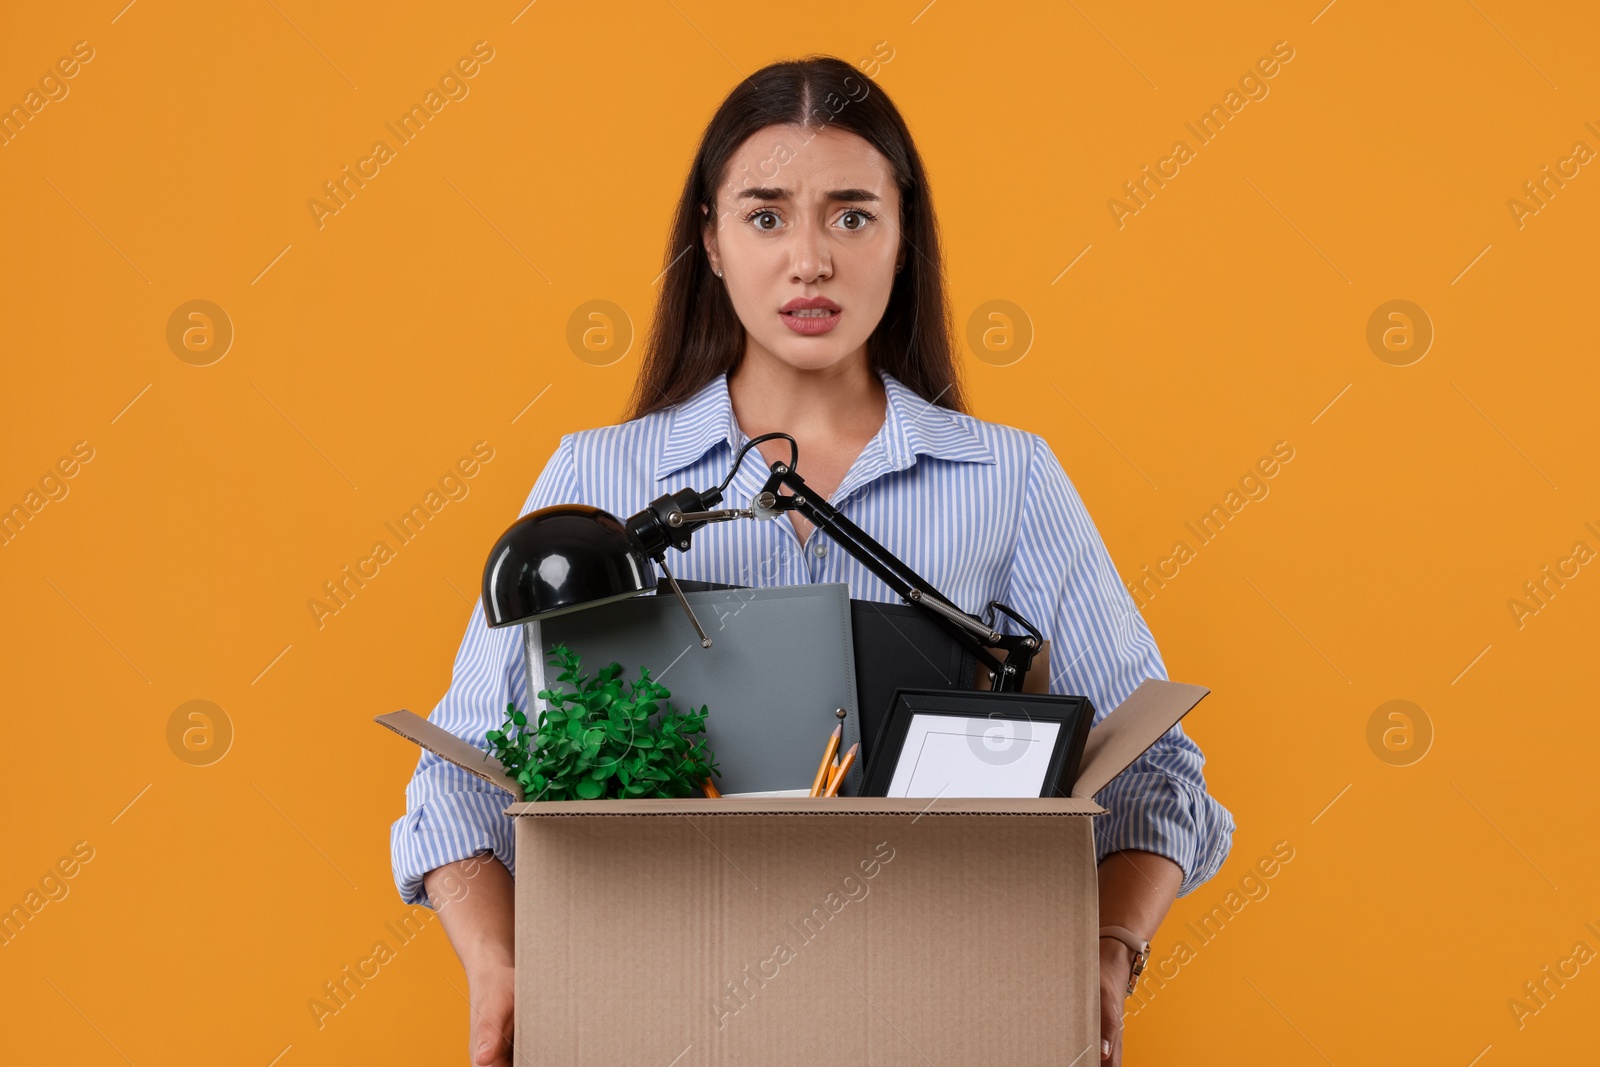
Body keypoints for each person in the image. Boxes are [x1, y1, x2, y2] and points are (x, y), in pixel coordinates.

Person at [390, 54, 1235, 1067]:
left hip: (937, 1020)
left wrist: (1105, 948)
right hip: (658, 1019)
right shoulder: (603, 477)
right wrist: (500, 964)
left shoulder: (1007, 478)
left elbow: (1154, 770)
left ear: (903, 235)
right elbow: (460, 777)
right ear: (707, 239)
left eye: (849, 214)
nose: (809, 261)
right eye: (764, 216)